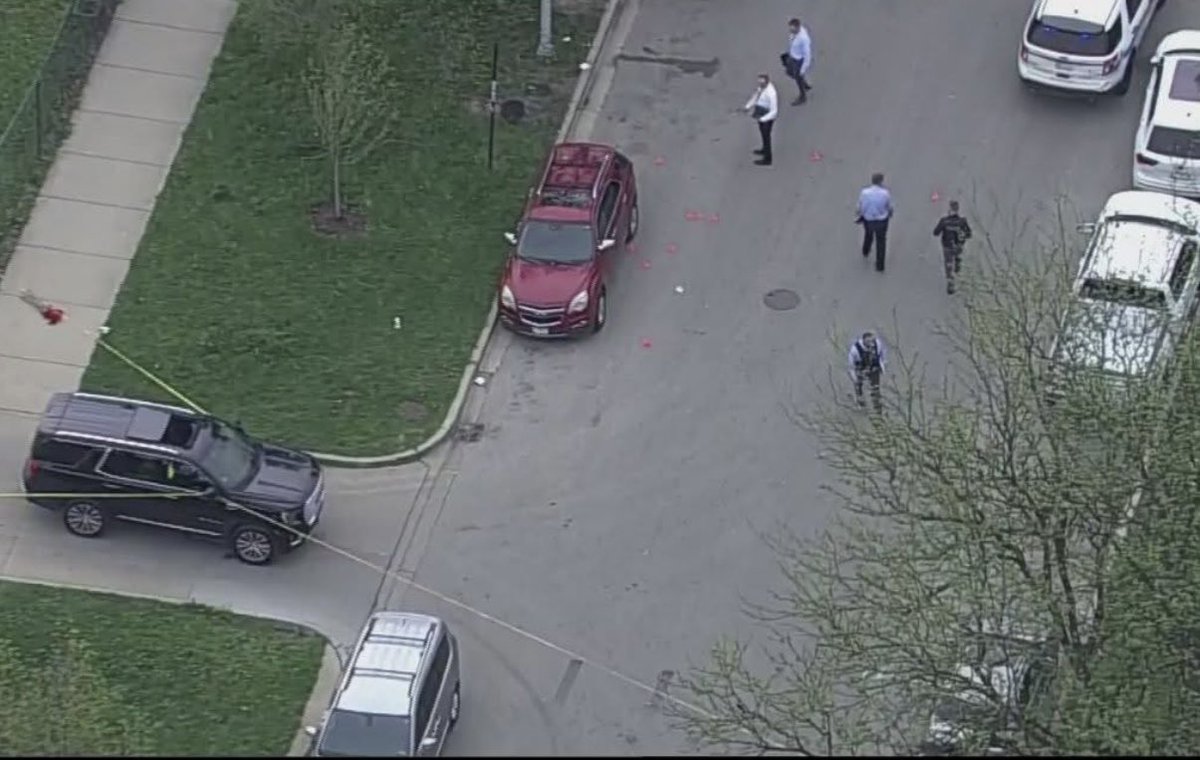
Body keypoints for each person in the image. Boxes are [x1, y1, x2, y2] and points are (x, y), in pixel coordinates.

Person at [932, 200, 973, 294]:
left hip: (947, 246)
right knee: (957, 256)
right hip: (959, 245)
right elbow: (969, 234)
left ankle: (950, 280)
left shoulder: (944, 221)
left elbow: (936, 233)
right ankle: (958, 262)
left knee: (948, 262)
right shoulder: (962, 221)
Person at [856, 173, 893, 272]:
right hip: (882, 220)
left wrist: (860, 213)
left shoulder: (864, 192)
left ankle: (866, 250)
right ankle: (880, 265)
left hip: (868, 219)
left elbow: (861, 205)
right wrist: (890, 213)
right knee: (881, 241)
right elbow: (889, 206)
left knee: (868, 234)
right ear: (881, 181)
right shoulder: (885, 193)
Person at [744, 73, 778, 166]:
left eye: (761, 83)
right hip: (761, 112)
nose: (759, 84)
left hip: (767, 116)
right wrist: (748, 106)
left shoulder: (771, 93)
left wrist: (763, 119)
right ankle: (764, 150)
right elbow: (756, 97)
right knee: (763, 134)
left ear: (766, 82)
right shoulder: (761, 88)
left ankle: (768, 159)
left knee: (766, 136)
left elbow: (774, 111)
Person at [848, 331, 886, 412]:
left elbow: (881, 355)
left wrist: (882, 367)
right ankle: (861, 404)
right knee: (858, 386)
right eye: (868, 341)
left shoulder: (878, 344)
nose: (871, 343)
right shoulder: (855, 349)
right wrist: (855, 378)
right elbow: (851, 366)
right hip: (861, 368)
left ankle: (877, 406)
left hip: (873, 367)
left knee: (875, 387)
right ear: (863, 340)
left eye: (872, 341)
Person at [780, 18, 813, 105]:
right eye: (790, 28)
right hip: (793, 56)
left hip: (799, 60)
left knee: (797, 76)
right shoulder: (794, 34)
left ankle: (803, 96)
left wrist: (803, 69)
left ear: (798, 27)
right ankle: (804, 83)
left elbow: (807, 55)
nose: (791, 30)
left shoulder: (804, 39)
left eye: (793, 29)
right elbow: (792, 42)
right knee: (789, 72)